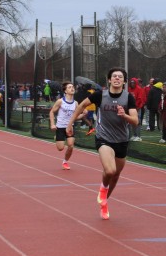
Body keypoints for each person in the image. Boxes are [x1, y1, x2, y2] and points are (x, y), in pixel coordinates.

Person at [68, 67, 139, 220]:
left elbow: (135, 121)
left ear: (124, 81)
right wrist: (70, 123)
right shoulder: (100, 95)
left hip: (122, 140)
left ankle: (105, 202)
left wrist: (124, 116)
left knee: (116, 175)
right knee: (110, 170)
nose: (117, 78)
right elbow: (81, 105)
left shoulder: (128, 98)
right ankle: (103, 188)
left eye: (120, 77)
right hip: (104, 138)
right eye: (114, 76)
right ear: (109, 80)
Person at [49, 81, 77, 170]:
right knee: (60, 148)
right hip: (60, 127)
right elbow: (52, 112)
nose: (72, 88)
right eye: (69, 87)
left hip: (70, 127)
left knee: (71, 145)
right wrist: (52, 124)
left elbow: (76, 115)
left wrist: (84, 113)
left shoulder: (75, 103)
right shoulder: (60, 101)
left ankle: (65, 162)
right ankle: (57, 137)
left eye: (73, 87)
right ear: (65, 91)